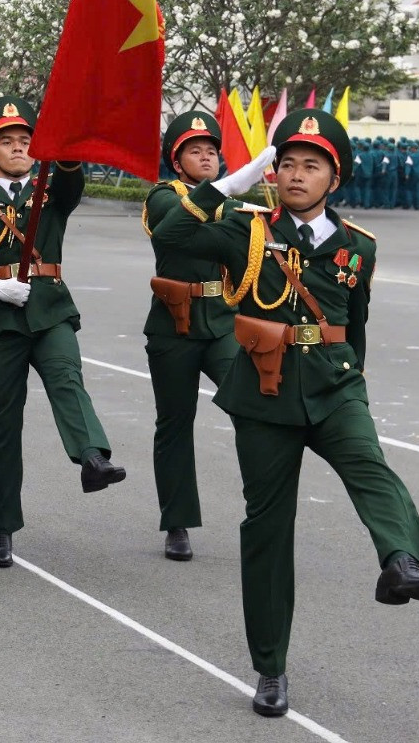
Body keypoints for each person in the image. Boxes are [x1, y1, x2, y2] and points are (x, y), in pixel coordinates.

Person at [152, 108, 419, 718]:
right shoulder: (244, 229)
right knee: (267, 530)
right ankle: (270, 668)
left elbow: (355, 324)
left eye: (312, 166)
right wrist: (227, 185)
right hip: (264, 394)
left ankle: (400, 560)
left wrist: (352, 379)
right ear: (273, 173)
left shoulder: (358, 246)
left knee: (368, 462)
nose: (297, 175)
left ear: (334, 179)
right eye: (287, 164)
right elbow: (171, 237)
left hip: (334, 385)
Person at [0, 96, 125, 568]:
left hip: (51, 308)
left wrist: (66, 143)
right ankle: (0, 529)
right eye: (7, 142)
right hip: (1, 319)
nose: (18, 149)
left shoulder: (50, 190)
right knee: (1, 423)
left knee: (66, 380)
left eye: (25, 141)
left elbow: (73, 182)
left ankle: (92, 458)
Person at [141, 111, 239, 562]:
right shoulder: (163, 196)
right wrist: (219, 201)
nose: (206, 156)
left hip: (222, 322)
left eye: (212, 151)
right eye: (195, 151)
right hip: (173, 324)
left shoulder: (233, 202)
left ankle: (264, 507)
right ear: (177, 163)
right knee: (175, 424)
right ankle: (177, 523)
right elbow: (173, 227)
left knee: (253, 405)